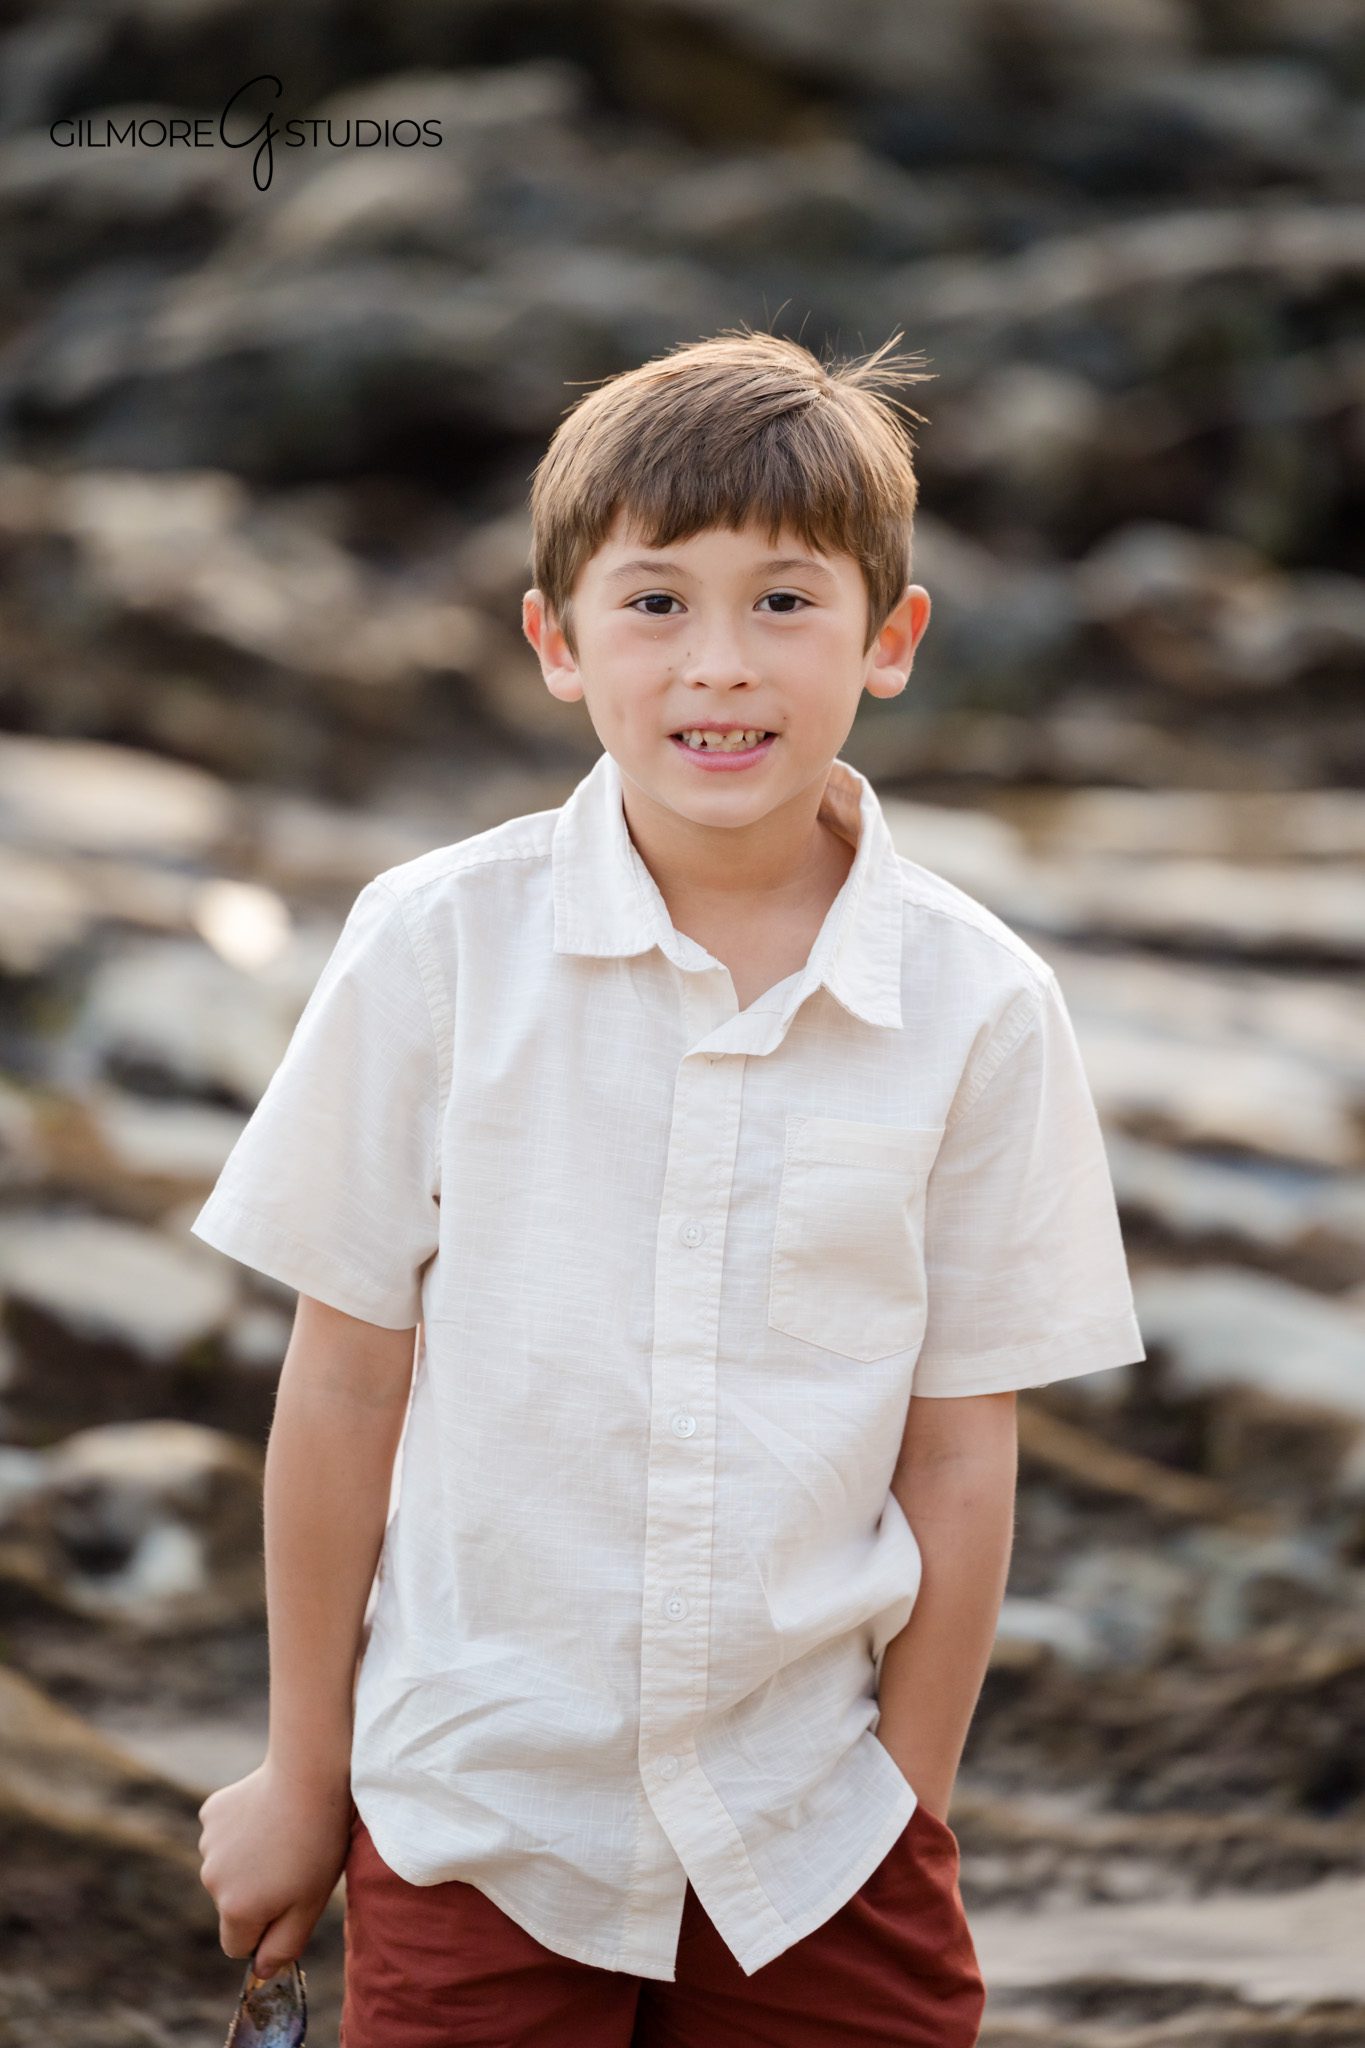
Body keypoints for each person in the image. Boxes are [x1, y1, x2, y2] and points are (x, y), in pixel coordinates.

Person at [191, 326, 1146, 2047]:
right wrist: (298, 1773)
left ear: (892, 639)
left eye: (786, 603)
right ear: (555, 643)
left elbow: (959, 1442)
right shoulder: (435, 948)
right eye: (655, 604)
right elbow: (341, 1383)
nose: (720, 665)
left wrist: (905, 1805)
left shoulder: (979, 1003)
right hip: (475, 1809)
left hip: (813, 1831)